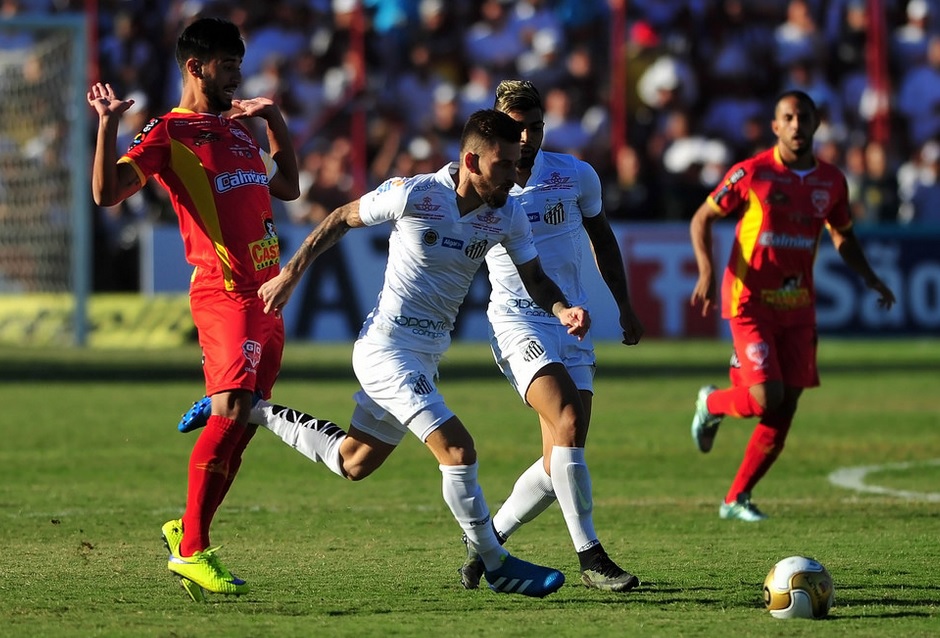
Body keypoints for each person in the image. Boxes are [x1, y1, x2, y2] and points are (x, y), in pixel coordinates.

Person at [179, 108, 584, 598]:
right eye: (503, 166)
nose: (513, 176)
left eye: (517, 164)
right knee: (457, 449)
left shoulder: (509, 212)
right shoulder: (417, 193)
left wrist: (561, 309)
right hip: (385, 350)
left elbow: (535, 278)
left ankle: (256, 413)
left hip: (426, 355)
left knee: (354, 461)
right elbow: (339, 218)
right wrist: (291, 272)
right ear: (472, 160)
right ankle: (495, 563)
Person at [88, 17, 301, 600]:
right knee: (233, 410)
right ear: (195, 67)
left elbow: (289, 187)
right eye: (227, 65)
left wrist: (272, 118)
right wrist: (107, 127)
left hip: (268, 295)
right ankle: (192, 551)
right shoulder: (170, 133)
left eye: (238, 63)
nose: (236, 74)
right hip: (224, 292)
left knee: (243, 424)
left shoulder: (233, 130)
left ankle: (189, 525)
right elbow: (108, 193)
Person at [456, 79, 645, 594]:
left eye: (535, 126)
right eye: (517, 128)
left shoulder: (575, 175)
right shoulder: (479, 184)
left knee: (560, 451)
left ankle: (486, 547)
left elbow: (602, 238)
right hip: (517, 321)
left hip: (573, 321)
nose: (527, 137)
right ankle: (592, 557)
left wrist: (623, 305)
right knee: (565, 418)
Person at [688, 90, 896, 522]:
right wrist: (707, 271)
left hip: (798, 306)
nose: (797, 124)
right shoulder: (753, 172)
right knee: (766, 396)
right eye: (789, 117)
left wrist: (871, 277)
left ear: (817, 123)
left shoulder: (833, 182)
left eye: (804, 116)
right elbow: (702, 218)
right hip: (749, 300)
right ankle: (711, 404)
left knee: (786, 405)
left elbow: (843, 236)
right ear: (776, 126)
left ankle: (736, 499)